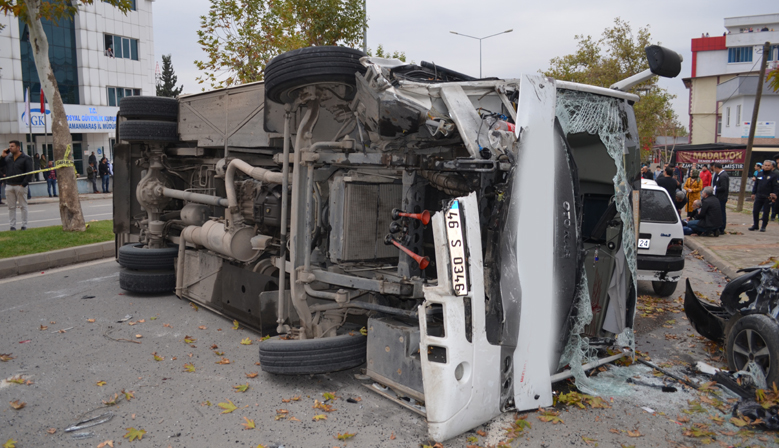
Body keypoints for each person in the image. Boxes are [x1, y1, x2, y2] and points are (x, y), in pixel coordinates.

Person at [0, 141, 34, 230]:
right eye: (9, 146)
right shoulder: (8, 158)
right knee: (11, 207)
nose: (10, 148)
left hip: (20, 185)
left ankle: (24, 225)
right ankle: (12, 226)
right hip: (9, 185)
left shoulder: (26, 158)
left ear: (18, 147)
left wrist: (23, 184)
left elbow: (29, 172)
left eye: (12, 146)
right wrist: (2, 157)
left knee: (23, 206)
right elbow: (1, 166)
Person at [749, 160, 779, 232]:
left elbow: (776, 186)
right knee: (755, 211)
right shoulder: (759, 174)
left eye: (768, 165)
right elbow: (756, 185)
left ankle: (763, 226)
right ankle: (755, 225)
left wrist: (774, 195)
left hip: (768, 197)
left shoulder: (774, 175)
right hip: (759, 196)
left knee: (766, 212)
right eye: (766, 165)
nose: (767, 167)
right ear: (763, 166)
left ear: (771, 166)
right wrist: (753, 193)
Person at [711, 162, 729, 234]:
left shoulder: (723, 176)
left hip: (722, 197)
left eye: (714, 169)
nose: (714, 170)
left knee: (722, 212)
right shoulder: (720, 175)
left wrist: (715, 189)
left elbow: (723, 187)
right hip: (719, 197)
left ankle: (722, 228)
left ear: (717, 168)